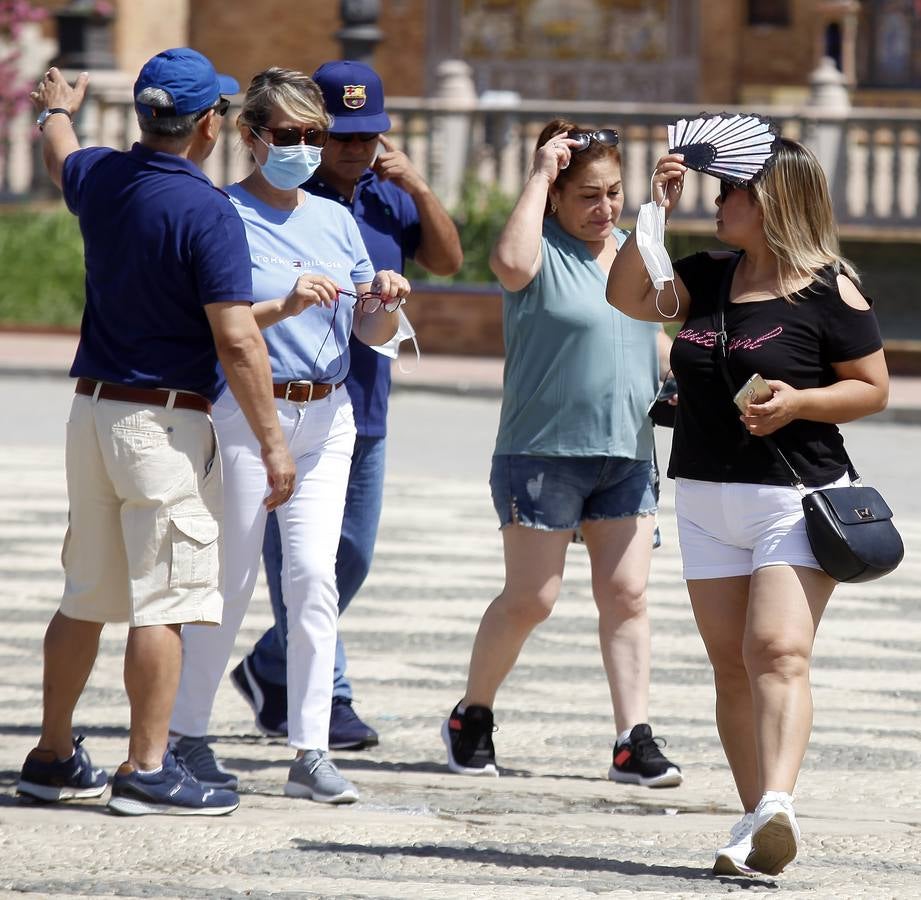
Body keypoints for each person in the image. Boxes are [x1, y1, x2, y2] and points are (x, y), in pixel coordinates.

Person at [15, 49, 295, 816]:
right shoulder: (209, 211)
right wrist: (273, 442)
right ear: (211, 124)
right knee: (161, 601)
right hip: (163, 422)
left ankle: (51, 755)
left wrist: (55, 109)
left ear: (145, 116)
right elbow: (236, 341)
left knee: (83, 595)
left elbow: (60, 154)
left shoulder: (103, 177)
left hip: (93, 411)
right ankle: (146, 766)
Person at [606, 138, 889, 876]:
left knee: (776, 651)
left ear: (772, 201)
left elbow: (871, 388)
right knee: (730, 668)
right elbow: (627, 297)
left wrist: (800, 402)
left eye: (731, 190)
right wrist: (651, 215)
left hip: (792, 498)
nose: (717, 200)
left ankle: (776, 805)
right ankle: (754, 820)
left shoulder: (830, 289)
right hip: (702, 495)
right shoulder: (705, 274)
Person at [168, 67, 411, 804]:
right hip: (247, 410)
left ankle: (308, 747)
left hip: (328, 412)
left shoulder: (335, 219)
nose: (305, 148)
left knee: (313, 578)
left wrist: (385, 299)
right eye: (290, 136)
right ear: (250, 137)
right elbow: (218, 330)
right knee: (232, 580)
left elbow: (370, 331)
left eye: (316, 136)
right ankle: (186, 734)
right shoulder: (222, 215)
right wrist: (284, 302)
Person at [441, 119, 682, 789]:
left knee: (628, 595)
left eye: (613, 193)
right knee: (532, 599)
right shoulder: (537, 248)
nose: (604, 209)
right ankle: (472, 714)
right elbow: (509, 265)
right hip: (542, 450)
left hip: (626, 451)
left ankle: (632, 740)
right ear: (555, 197)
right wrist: (540, 173)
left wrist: (692, 372)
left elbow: (650, 336)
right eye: (586, 196)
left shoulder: (634, 249)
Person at [230, 60, 462, 749]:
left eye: (367, 138)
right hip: (276, 409)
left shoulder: (381, 200)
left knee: (351, 556)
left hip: (362, 406)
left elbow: (447, 262)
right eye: (340, 138)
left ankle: (270, 668)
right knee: (295, 566)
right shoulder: (272, 206)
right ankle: (323, 697)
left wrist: (416, 185)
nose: (354, 151)